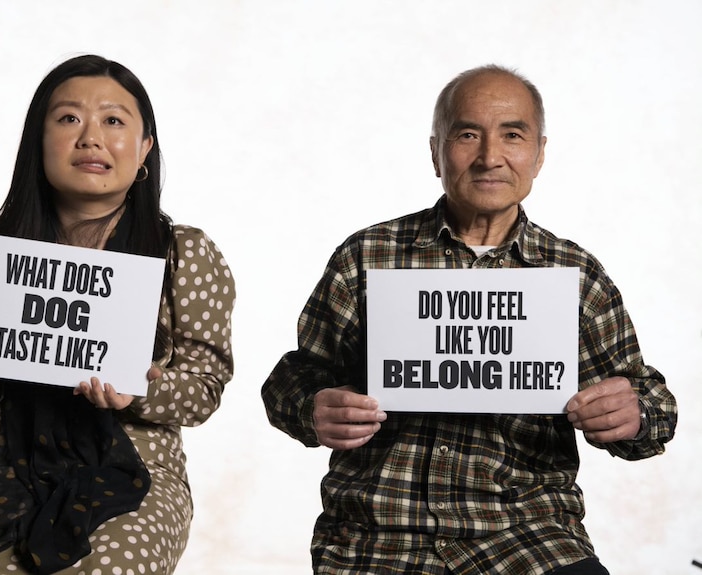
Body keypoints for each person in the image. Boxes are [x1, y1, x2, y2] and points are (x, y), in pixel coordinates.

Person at [261, 64, 677, 575]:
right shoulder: (367, 257)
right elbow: (290, 381)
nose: (489, 157)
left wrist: (631, 414)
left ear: (539, 153)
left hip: (529, 534)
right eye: (466, 135)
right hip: (377, 534)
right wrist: (313, 406)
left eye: (513, 135)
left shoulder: (574, 276)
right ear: (436, 152)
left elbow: (654, 405)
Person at [0, 54, 235, 575]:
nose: (91, 138)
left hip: (136, 467)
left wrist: (140, 390)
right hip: (7, 462)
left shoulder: (185, 255)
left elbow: (205, 390)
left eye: (113, 121)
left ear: (144, 147)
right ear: (37, 140)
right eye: (68, 119)